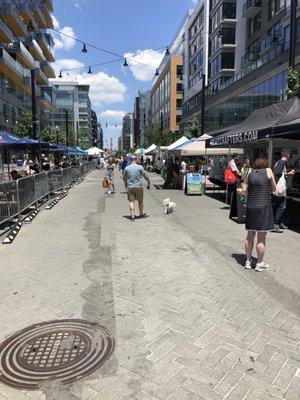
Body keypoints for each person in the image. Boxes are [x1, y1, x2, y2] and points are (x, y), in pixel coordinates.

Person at [244, 157, 277, 272]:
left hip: (251, 206)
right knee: (261, 238)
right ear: (265, 164)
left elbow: (245, 186)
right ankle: (259, 263)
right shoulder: (268, 171)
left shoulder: (250, 173)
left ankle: (248, 261)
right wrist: (266, 191)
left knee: (250, 235)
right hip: (263, 207)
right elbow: (274, 188)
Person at [271, 152, 295, 232]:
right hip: (279, 188)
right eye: (289, 159)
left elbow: (279, 173)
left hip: (277, 187)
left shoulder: (279, 162)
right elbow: (277, 173)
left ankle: (279, 223)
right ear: (287, 157)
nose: (289, 161)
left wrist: (285, 174)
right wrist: (288, 173)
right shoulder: (281, 162)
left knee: (278, 205)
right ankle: (276, 224)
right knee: (282, 206)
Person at [123, 155, 150, 221]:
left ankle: (132, 216)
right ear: (136, 159)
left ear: (130, 160)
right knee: (140, 201)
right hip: (139, 186)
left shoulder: (127, 168)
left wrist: (126, 185)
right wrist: (148, 182)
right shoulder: (140, 167)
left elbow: (124, 178)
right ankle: (141, 214)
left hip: (130, 187)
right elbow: (145, 176)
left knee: (131, 201)